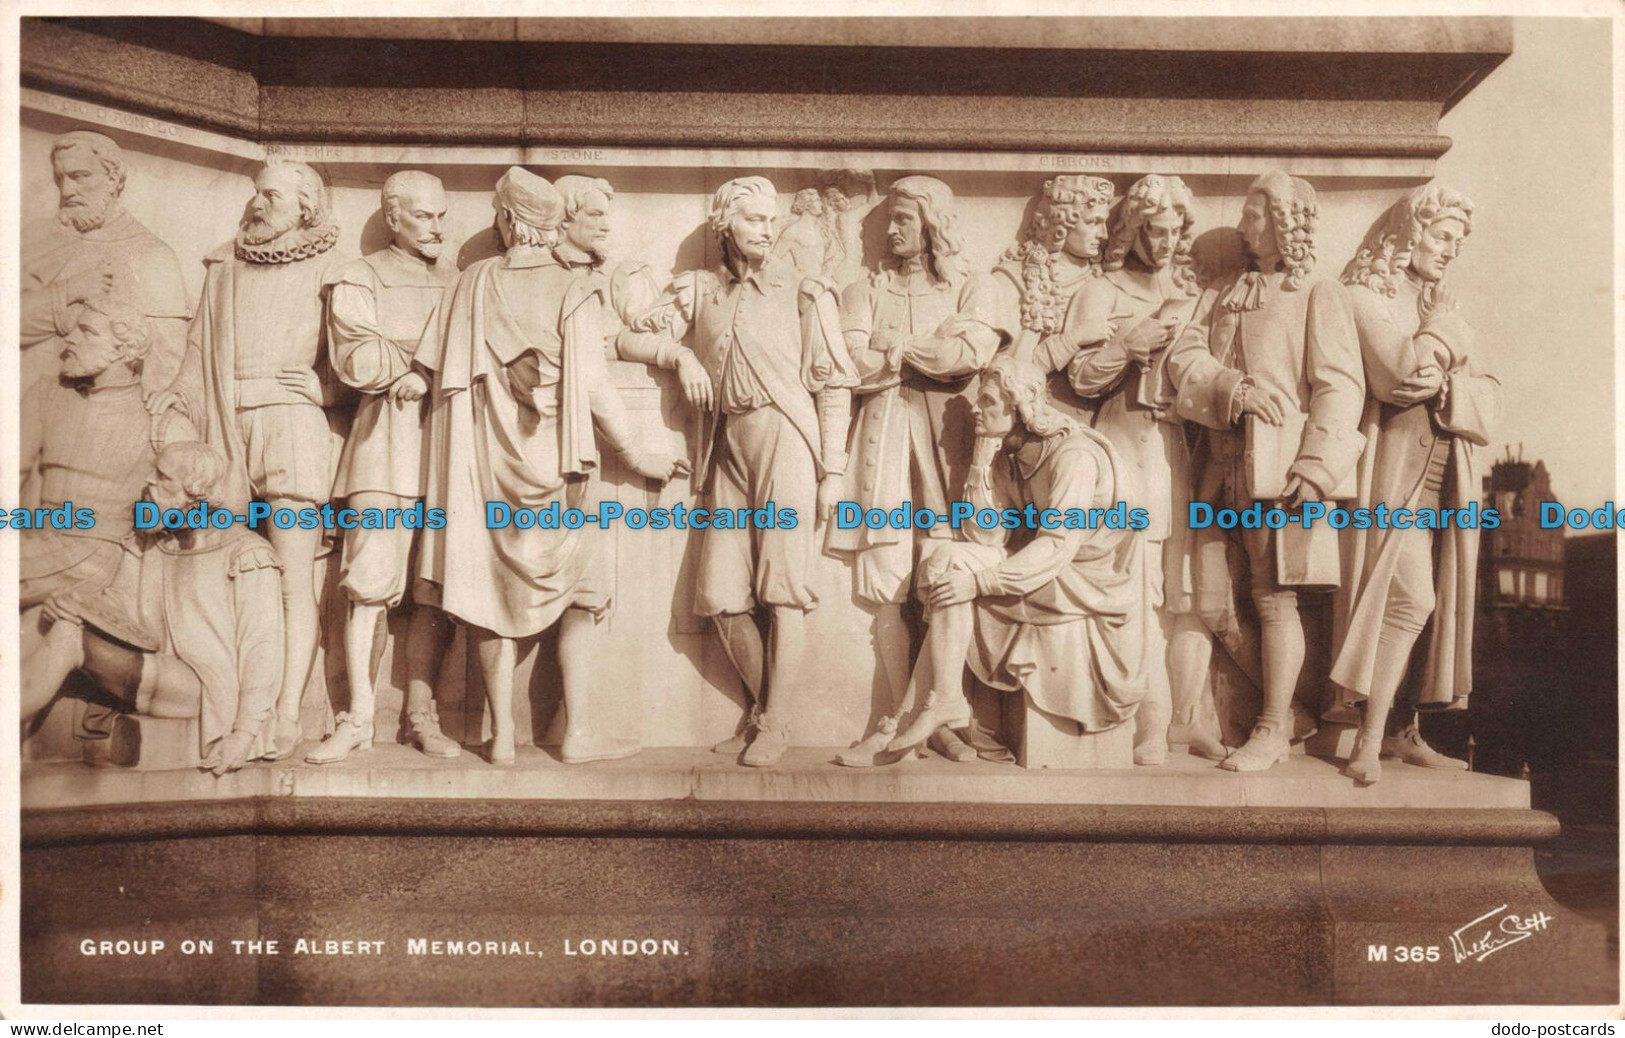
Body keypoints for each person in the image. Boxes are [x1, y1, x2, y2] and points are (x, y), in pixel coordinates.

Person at [412, 167, 686, 765]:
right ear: (548, 223)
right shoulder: (573, 289)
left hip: (483, 471)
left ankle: (502, 737)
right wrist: (641, 455)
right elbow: (594, 389)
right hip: (558, 472)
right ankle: (577, 734)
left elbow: (429, 370)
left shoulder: (470, 283)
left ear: (508, 222)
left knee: (488, 597)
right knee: (582, 594)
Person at [649, 176, 858, 766]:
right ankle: (767, 713)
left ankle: (774, 722)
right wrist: (680, 353)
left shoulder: (805, 292)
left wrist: (833, 472)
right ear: (725, 225)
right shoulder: (700, 291)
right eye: (755, 220)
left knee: (785, 587)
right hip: (726, 448)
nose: (768, 230)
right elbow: (630, 336)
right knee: (718, 593)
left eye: (772, 220)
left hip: (787, 442)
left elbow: (834, 383)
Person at [149, 158, 349, 761]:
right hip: (224, 431)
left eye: (272, 195)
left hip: (291, 430)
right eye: (255, 194)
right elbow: (196, 352)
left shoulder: (331, 264)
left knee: (292, 579)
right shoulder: (225, 264)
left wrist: (329, 392)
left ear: (305, 206)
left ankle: (285, 714)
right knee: (218, 563)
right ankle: (233, 709)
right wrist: (177, 408)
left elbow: (361, 359)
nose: (258, 205)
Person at [1166, 170, 1366, 772]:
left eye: (1254, 215)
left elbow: (1340, 386)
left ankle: (1274, 726)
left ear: (1284, 220)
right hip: (1218, 469)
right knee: (1210, 598)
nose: (1245, 226)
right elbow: (1185, 355)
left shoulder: (1318, 293)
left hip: (1282, 472)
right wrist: (1233, 387)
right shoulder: (1228, 291)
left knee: (1275, 598)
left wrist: (1316, 468)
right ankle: (1294, 712)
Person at [826, 175, 1011, 765]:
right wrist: (927, 348)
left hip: (949, 450)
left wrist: (899, 349)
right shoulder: (862, 290)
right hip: (881, 452)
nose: (893, 228)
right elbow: (851, 366)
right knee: (887, 586)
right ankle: (897, 719)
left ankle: (933, 715)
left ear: (933, 222)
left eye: (905, 218)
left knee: (942, 578)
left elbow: (968, 355)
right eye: (889, 219)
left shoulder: (974, 287)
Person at [884, 354, 1147, 758]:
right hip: (1054, 566)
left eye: (987, 401)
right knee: (945, 560)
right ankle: (946, 698)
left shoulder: (1073, 455)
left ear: (1019, 404)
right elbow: (986, 533)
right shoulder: (1014, 453)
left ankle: (924, 708)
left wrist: (978, 582)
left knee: (957, 573)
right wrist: (980, 459)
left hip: (1091, 578)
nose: (976, 408)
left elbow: (1058, 543)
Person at [1331, 185, 1499, 784]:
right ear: (1408, 233)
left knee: (1427, 606)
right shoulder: (1364, 296)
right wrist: (1445, 333)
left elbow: (1488, 397)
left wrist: (1450, 372)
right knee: (1412, 601)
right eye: (1442, 235)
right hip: (1391, 477)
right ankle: (1365, 742)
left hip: (1443, 482)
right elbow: (1403, 375)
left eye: (1458, 240)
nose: (1451, 250)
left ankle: (1401, 731)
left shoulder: (1431, 306)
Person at [1059, 174, 1224, 764]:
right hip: (1122, 453)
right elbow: (1076, 380)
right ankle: (1150, 721)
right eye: (1152, 230)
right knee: (1140, 587)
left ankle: (1188, 717)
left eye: (1174, 230)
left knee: (1184, 590)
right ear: (1132, 229)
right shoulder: (1102, 290)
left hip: (1182, 454)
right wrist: (1127, 345)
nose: (1163, 242)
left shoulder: (1195, 294)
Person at [307, 171, 459, 764]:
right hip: (383, 446)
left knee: (433, 588)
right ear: (393, 217)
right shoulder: (358, 273)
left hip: (449, 448)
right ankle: (357, 718)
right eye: (425, 216)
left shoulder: (461, 282)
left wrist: (414, 362)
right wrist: (423, 361)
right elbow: (359, 357)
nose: (438, 228)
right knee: (367, 585)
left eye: (443, 216)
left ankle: (423, 717)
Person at [22, 441, 283, 776]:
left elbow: (262, 651)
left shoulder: (247, 555)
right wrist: (74, 605)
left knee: (68, 637)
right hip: (156, 663)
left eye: (163, 478)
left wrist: (243, 735)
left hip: (208, 690)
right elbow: (118, 605)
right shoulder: (152, 541)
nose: (149, 482)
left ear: (195, 493)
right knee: (44, 620)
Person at [21, 130, 188, 398]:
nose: (66, 191)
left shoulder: (152, 256)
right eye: (60, 178)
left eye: (79, 176)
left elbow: (164, 366)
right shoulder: (37, 238)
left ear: (113, 179)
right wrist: (69, 291)